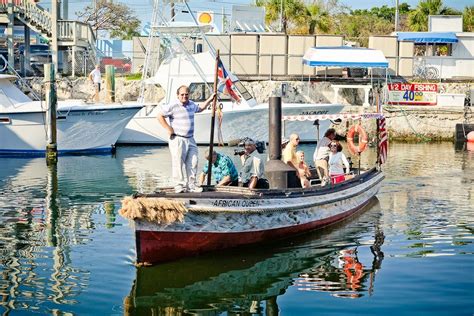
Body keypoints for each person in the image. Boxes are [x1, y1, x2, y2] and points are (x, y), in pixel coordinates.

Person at [158, 85, 215, 193]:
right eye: (182, 94)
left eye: (186, 94)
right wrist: (168, 128)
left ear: (189, 94)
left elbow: (201, 108)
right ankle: (179, 186)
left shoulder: (191, 104)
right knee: (178, 163)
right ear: (178, 95)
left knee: (193, 162)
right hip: (178, 138)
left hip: (190, 139)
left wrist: (210, 99)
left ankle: (191, 185)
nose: (184, 96)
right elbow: (159, 116)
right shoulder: (173, 106)